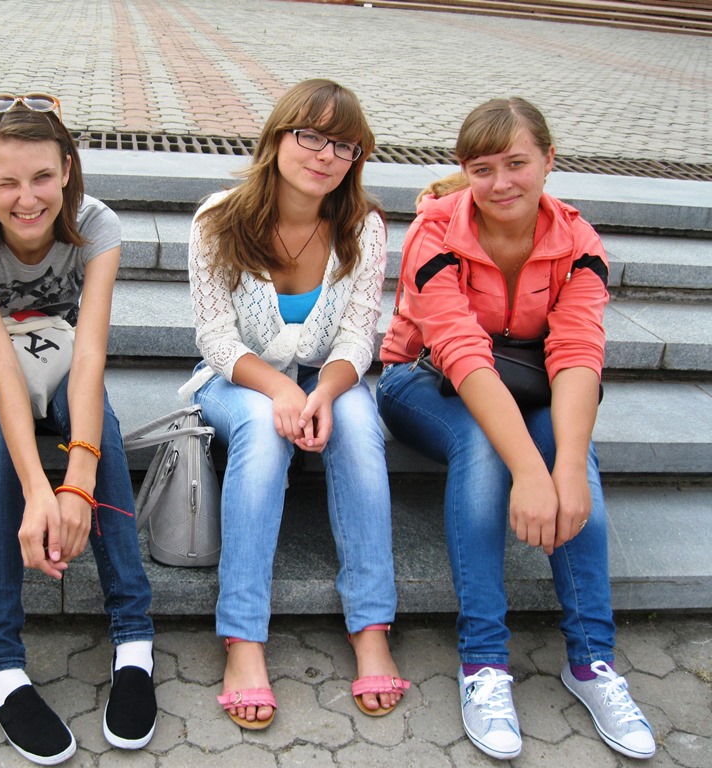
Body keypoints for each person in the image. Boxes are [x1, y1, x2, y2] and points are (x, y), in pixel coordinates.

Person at [376, 97, 656, 761]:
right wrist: (529, 471)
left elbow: (578, 353)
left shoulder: (578, 243)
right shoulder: (435, 231)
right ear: (464, 171)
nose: (501, 182)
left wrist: (566, 471)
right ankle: (483, 661)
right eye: (482, 169)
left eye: (517, 163)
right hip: (421, 380)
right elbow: (460, 353)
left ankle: (592, 662)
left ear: (549, 160)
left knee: (570, 450)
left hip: (526, 382)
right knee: (483, 445)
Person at [0, 93, 156, 765]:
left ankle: (135, 641)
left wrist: (78, 483)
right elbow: (2, 373)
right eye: (6, 181)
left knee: (97, 421)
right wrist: (40, 490)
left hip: (60, 359)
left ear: (66, 170)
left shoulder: (96, 224)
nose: (26, 199)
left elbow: (89, 358)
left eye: (41, 177)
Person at [181, 79, 408, 730]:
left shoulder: (362, 226)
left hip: (327, 376)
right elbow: (216, 339)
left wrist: (325, 392)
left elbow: (357, 337)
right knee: (263, 424)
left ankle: (371, 625)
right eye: (310, 135)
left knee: (359, 421)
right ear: (278, 137)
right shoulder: (219, 220)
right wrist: (282, 390)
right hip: (237, 378)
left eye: (344, 145)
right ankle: (243, 636)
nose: (325, 155)